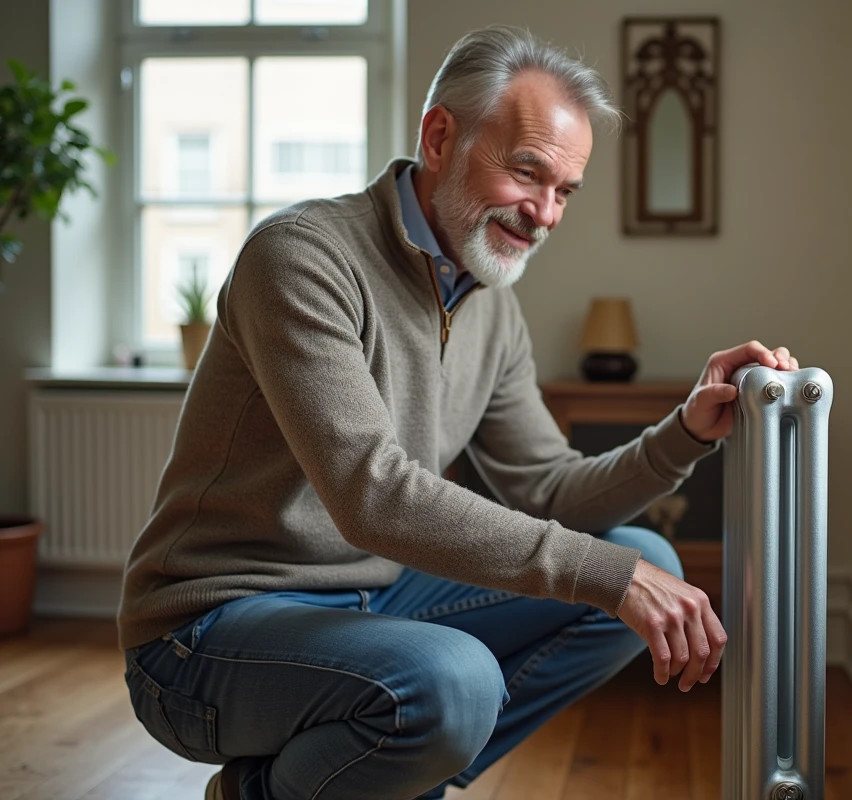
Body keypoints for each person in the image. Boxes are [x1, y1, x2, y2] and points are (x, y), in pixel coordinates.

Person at [117, 25, 800, 800]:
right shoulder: (302, 257)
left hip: (372, 601)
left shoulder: (489, 304)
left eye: (565, 191)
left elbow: (546, 490)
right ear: (440, 136)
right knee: (465, 674)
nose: (544, 213)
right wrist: (609, 577)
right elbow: (371, 496)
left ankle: (396, 771)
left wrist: (682, 435)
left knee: (650, 557)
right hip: (207, 632)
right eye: (526, 172)